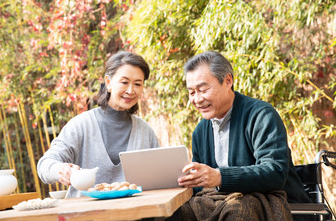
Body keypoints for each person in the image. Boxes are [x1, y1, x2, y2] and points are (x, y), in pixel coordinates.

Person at [176, 51, 314, 221]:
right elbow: (201, 187)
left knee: (239, 210)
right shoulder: (200, 131)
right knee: (177, 212)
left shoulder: (261, 115)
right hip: (220, 200)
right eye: (191, 92)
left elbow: (275, 172)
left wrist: (219, 177)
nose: (197, 99)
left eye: (203, 90)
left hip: (271, 199)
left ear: (228, 81)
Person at [37, 51, 160, 198]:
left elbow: (159, 179)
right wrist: (61, 169)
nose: (130, 90)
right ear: (108, 83)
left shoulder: (145, 132)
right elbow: (44, 165)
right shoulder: (81, 125)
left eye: (138, 84)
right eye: (124, 82)